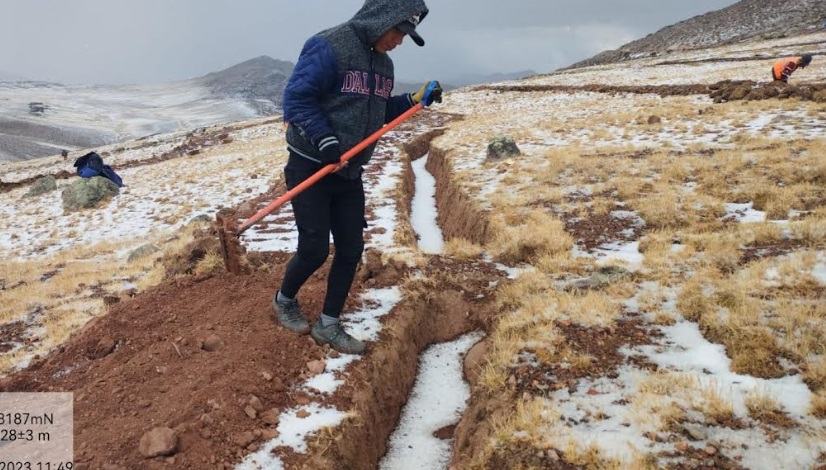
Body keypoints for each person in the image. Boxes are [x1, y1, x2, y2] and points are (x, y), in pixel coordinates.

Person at [272, 0, 442, 354]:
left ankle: (328, 324)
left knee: (351, 248)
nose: (398, 41)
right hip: (311, 165)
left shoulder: (384, 65)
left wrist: (414, 99)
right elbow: (297, 99)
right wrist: (326, 140)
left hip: (349, 170)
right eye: (398, 31)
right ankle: (284, 299)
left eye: (405, 35)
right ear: (382, 19)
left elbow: (375, 112)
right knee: (315, 248)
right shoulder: (330, 44)